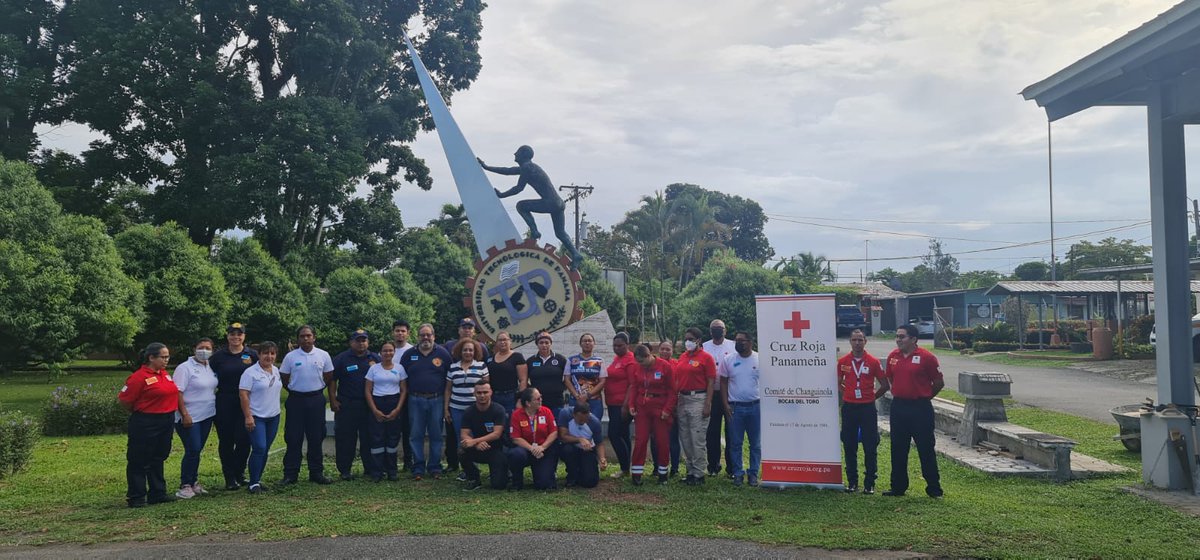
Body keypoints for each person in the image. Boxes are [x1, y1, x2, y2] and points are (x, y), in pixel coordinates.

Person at [478, 145, 583, 266]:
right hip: (558, 203)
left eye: (517, 152)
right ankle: (576, 254)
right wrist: (486, 167)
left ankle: (535, 232)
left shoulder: (527, 168)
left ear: (523, 155)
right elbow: (507, 171)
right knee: (560, 233)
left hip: (550, 203)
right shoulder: (528, 167)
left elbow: (519, 188)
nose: (514, 154)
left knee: (521, 206)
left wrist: (502, 195)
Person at [883, 324, 944, 498]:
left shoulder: (927, 357)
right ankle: (898, 487)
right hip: (899, 408)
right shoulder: (893, 357)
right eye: (897, 336)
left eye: (902, 336)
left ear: (913, 339)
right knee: (898, 449)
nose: (898, 340)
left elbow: (939, 383)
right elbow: (891, 378)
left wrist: (924, 397)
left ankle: (934, 488)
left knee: (925, 449)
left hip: (920, 409)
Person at [119, 343, 179, 507]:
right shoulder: (139, 377)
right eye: (163, 357)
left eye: (168, 357)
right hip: (146, 421)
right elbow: (125, 400)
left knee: (158, 457)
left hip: (165, 420)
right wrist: (142, 412)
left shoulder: (164, 374)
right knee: (139, 459)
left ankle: (157, 492)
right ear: (151, 357)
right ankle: (136, 496)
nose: (166, 360)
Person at [279, 325, 334, 485]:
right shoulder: (291, 357)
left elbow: (329, 376)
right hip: (296, 400)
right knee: (293, 437)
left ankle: (316, 473)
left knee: (316, 436)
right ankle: (290, 474)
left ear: (314, 337)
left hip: (316, 399)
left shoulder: (323, 355)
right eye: (302, 336)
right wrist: (295, 389)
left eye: (308, 336)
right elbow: (284, 377)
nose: (305, 339)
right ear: (298, 339)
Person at [838, 329, 890, 494]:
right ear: (850, 342)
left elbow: (885, 385)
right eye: (854, 340)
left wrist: (872, 397)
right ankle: (852, 482)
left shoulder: (873, 362)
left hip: (867, 408)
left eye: (860, 340)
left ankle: (869, 483)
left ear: (865, 341)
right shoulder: (843, 361)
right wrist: (847, 392)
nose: (857, 343)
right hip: (849, 407)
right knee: (849, 444)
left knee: (870, 445)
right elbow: (838, 382)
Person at [401, 323, 453, 480]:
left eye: (428, 335)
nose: (425, 337)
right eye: (422, 335)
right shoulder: (409, 355)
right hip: (415, 399)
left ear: (433, 336)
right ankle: (418, 468)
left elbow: (449, 378)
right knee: (415, 435)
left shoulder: (443, 354)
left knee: (436, 435)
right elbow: (402, 378)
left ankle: (435, 467)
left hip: (436, 399)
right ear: (417, 337)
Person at [210, 322, 258, 490]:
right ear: (227, 336)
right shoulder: (218, 356)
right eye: (232, 334)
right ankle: (229, 477)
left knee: (244, 439)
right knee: (227, 440)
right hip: (225, 401)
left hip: (246, 402)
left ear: (244, 336)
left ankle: (239, 472)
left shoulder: (251, 354)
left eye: (239, 334)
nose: (235, 337)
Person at [331, 328, 382, 481]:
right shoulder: (341, 358)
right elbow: (332, 380)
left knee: (369, 437)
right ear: (351, 342)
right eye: (357, 340)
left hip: (369, 405)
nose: (361, 343)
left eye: (364, 340)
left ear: (368, 342)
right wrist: (333, 399)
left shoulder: (375, 358)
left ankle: (370, 468)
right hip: (347, 404)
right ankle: (345, 470)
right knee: (345, 438)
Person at [441, 318, 490, 475]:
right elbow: (448, 389)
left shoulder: (481, 366)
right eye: (464, 350)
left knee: (476, 437)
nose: (467, 352)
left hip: (475, 408)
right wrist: (446, 409)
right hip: (456, 408)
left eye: (470, 350)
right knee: (459, 438)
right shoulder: (452, 367)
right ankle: (465, 469)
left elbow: (487, 388)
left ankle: (476, 466)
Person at [173, 337, 218, 499]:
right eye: (201, 347)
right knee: (192, 449)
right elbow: (177, 392)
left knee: (197, 450)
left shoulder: (210, 367)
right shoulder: (184, 368)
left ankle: (194, 482)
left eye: (208, 348)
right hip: (190, 416)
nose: (204, 351)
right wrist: (184, 414)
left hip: (207, 415)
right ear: (194, 349)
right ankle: (185, 484)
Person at [627, 344, 677, 486]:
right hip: (642, 408)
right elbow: (634, 387)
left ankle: (662, 474)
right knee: (641, 440)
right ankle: (636, 474)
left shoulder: (665, 366)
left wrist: (667, 409)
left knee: (662, 441)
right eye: (638, 362)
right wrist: (631, 405)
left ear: (649, 356)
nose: (641, 365)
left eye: (642, 361)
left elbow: (673, 391)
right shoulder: (637, 367)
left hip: (659, 408)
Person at [673, 327, 717, 485]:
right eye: (686, 338)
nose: (687, 342)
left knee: (697, 437)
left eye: (691, 339)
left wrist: (708, 404)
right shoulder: (683, 357)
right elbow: (678, 379)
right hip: (683, 399)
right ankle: (690, 471)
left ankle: (699, 473)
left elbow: (711, 382)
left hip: (699, 398)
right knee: (685, 438)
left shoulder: (706, 358)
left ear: (698, 340)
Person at [239, 341, 282, 494]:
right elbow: (243, 395)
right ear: (259, 354)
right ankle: (253, 483)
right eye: (265, 353)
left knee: (265, 449)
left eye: (272, 353)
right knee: (259, 448)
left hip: (273, 416)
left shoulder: (276, 370)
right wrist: (248, 416)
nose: (269, 356)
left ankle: (257, 479)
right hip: (257, 417)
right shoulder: (250, 373)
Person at [720, 331, 761, 487]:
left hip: (755, 407)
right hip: (735, 408)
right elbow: (723, 382)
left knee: (755, 444)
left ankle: (753, 473)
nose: (738, 343)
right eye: (736, 340)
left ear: (750, 342)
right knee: (735, 443)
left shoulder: (760, 359)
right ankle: (738, 473)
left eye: (742, 340)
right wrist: (725, 404)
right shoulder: (728, 360)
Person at [366, 340, 408, 481]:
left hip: (394, 403)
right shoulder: (373, 369)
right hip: (377, 403)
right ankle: (377, 472)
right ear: (380, 353)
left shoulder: (400, 368)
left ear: (394, 352)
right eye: (385, 350)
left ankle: (392, 471)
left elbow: (403, 390)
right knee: (377, 439)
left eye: (390, 350)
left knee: (392, 439)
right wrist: (374, 410)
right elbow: (367, 391)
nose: (388, 353)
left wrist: (397, 409)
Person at [459, 380, 509, 491]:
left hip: (496, 449)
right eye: (479, 393)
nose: (482, 395)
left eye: (485, 392)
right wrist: (475, 443)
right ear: (474, 393)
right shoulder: (469, 411)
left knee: (498, 486)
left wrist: (475, 441)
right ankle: (473, 478)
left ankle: (501, 473)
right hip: (478, 448)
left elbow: (497, 434)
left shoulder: (498, 410)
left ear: (491, 392)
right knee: (462, 449)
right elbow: (464, 434)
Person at [506, 388, 559, 490]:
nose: (541, 400)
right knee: (515, 454)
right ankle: (517, 482)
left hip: (543, 450)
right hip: (526, 450)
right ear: (528, 403)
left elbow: (554, 432)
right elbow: (515, 438)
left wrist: (542, 447)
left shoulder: (546, 411)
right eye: (537, 399)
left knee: (544, 484)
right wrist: (532, 448)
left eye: (541, 397)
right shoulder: (516, 415)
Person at [703, 319, 737, 478]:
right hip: (712, 394)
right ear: (710, 331)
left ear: (725, 330)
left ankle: (731, 468)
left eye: (720, 328)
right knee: (712, 432)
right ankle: (713, 466)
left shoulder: (732, 346)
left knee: (731, 432)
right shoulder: (704, 346)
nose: (718, 330)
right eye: (715, 328)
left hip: (730, 394)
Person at [604, 332, 636, 479]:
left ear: (627, 345)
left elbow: (632, 384)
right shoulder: (618, 358)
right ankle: (627, 467)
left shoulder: (630, 360)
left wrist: (625, 405)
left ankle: (624, 467)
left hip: (621, 405)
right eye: (614, 345)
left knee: (614, 434)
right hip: (612, 403)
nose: (617, 348)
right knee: (623, 435)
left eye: (620, 345)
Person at [391, 320, 417, 472]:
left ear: (408, 333)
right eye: (397, 331)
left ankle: (409, 460)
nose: (400, 333)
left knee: (408, 430)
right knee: (392, 430)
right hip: (390, 397)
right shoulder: (387, 350)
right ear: (393, 333)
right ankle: (390, 461)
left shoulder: (413, 350)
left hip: (408, 397)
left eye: (403, 331)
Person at [558, 403, 602, 488]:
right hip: (571, 447)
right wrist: (579, 439)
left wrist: (602, 458)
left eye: (585, 419)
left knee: (590, 482)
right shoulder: (565, 414)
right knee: (567, 450)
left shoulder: (595, 423)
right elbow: (563, 436)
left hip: (587, 450)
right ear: (574, 415)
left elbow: (599, 443)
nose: (582, 422)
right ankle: (572, 476)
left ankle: (582, 473)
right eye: (580, 420)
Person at [654, 340, 681, 478]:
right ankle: (656, 467)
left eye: (668, 349)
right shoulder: (654, 364)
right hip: (656, 406)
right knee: (655, 439)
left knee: (673, 439)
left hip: (672, 406)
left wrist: (673, 406)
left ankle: (675, 467)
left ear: (672, 351)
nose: (665, 352)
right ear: (659, 350)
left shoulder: (677, 364)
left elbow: (677, 385)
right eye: (662, 349)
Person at [565, 333, 606, 422]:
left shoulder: (599, 361)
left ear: (594, 343)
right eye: (584, 341)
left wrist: (587, 395)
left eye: (590, 341)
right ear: (580, 344)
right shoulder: (571, 360)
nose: (587, 343)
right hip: (576, 400)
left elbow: (602, 381)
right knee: (575, 427)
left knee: (594, 426)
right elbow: (567, 380)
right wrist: (577, 396)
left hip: (594, 401)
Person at [486, 330, 527, 415]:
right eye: (500, 340)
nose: (502, 342)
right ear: (496, 343)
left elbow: (523, 380)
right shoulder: (490, 359)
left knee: (510, 422)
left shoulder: (517, 357)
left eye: (505, 339)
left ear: (510, 341)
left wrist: (520, 399)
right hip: (494, 396)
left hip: (511, 397)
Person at [526, 332, 569, 412]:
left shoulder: (560, 359)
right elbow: (524, 379)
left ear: (550, 344)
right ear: (537, 344)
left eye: (547, 342)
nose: (544, 345)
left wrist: (561, 387)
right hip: (537, 402)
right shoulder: (530, 361)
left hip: (557, 401)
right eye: (541, 343)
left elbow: (568, 377)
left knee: (556, 423)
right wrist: (531, 390)